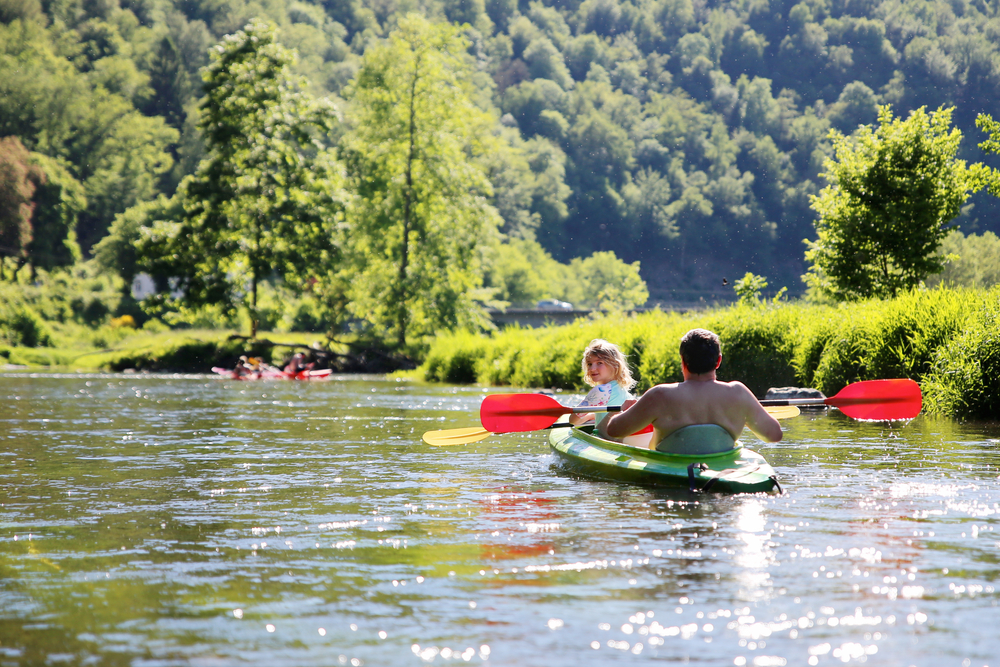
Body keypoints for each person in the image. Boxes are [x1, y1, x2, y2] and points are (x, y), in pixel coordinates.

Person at [600, 328, 782, 447]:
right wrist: (747, 414)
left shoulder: (659, 395)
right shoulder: (739, 393)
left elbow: (614, 430)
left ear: (682, 361)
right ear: (718, 361)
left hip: (670, 478)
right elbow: (774, 435)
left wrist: (620, 412)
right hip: (720, 472)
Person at [569, 339, 636, 427]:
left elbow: (573, 420)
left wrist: (585, 417)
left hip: (604, 437)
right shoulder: (621, 388)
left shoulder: (601, 390)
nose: (592, 369)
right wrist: (591, 416)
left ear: (615, 365)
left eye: (599, 363)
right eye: (589, 364)